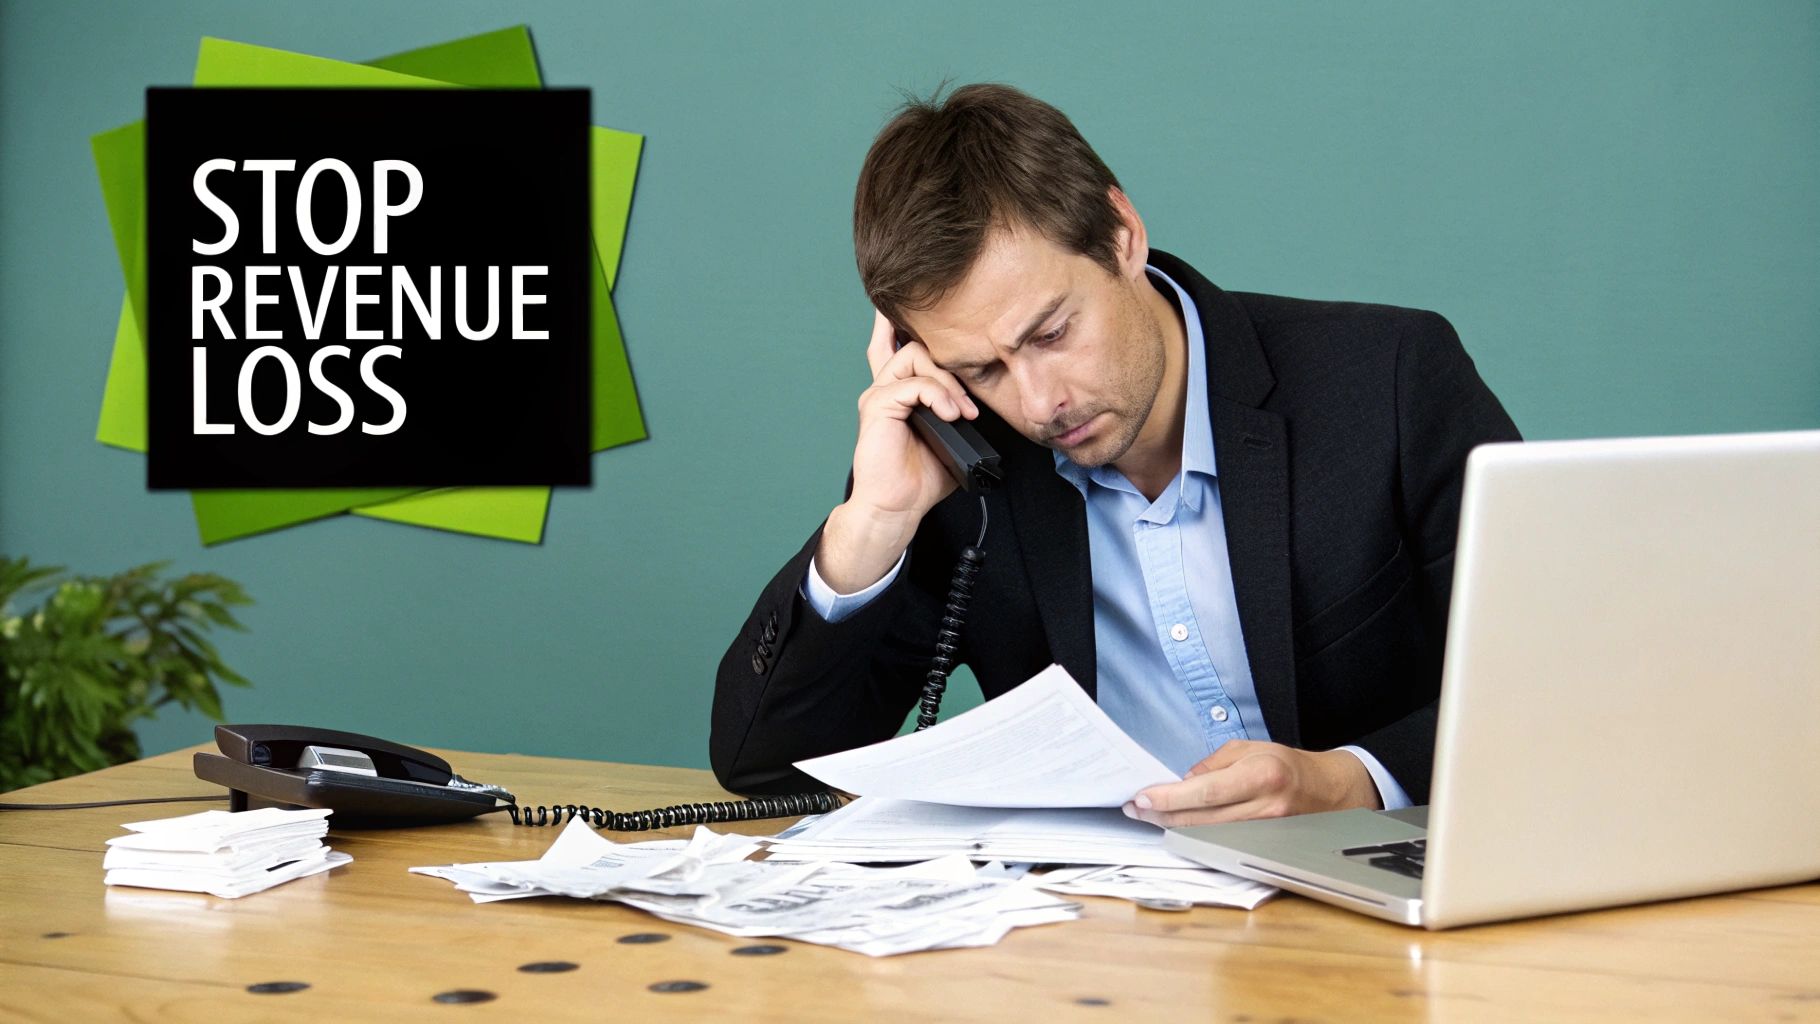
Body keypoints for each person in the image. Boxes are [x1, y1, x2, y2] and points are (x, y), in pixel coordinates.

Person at [711, 83, 1519, 826]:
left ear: (1122, 236)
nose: (1036, 402)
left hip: (1376, 907)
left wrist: (1351, 780)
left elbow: (1564, 679)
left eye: (1052, 333)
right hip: (1101, 937)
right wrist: (871, 525)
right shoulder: (959, 467)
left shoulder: (1389, 379)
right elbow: (766, 768)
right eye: (980, 368)